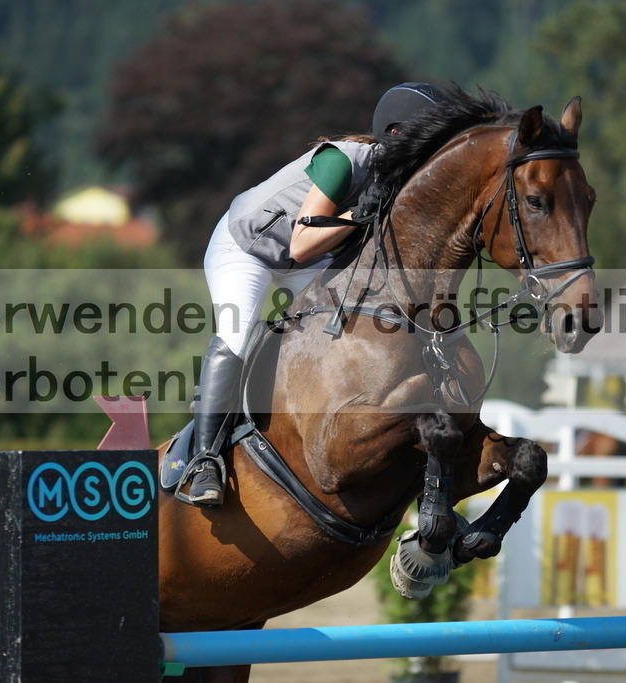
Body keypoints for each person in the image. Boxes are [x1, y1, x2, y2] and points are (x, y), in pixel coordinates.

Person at [179, 83, 450, 508]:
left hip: (302, 259)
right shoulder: (343, 160)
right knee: (237, 337)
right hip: (247, 246)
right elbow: (303, 243)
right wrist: (360, 213)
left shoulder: (402, 182)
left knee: (347, 330)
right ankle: (203, 461)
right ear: (397, 133)